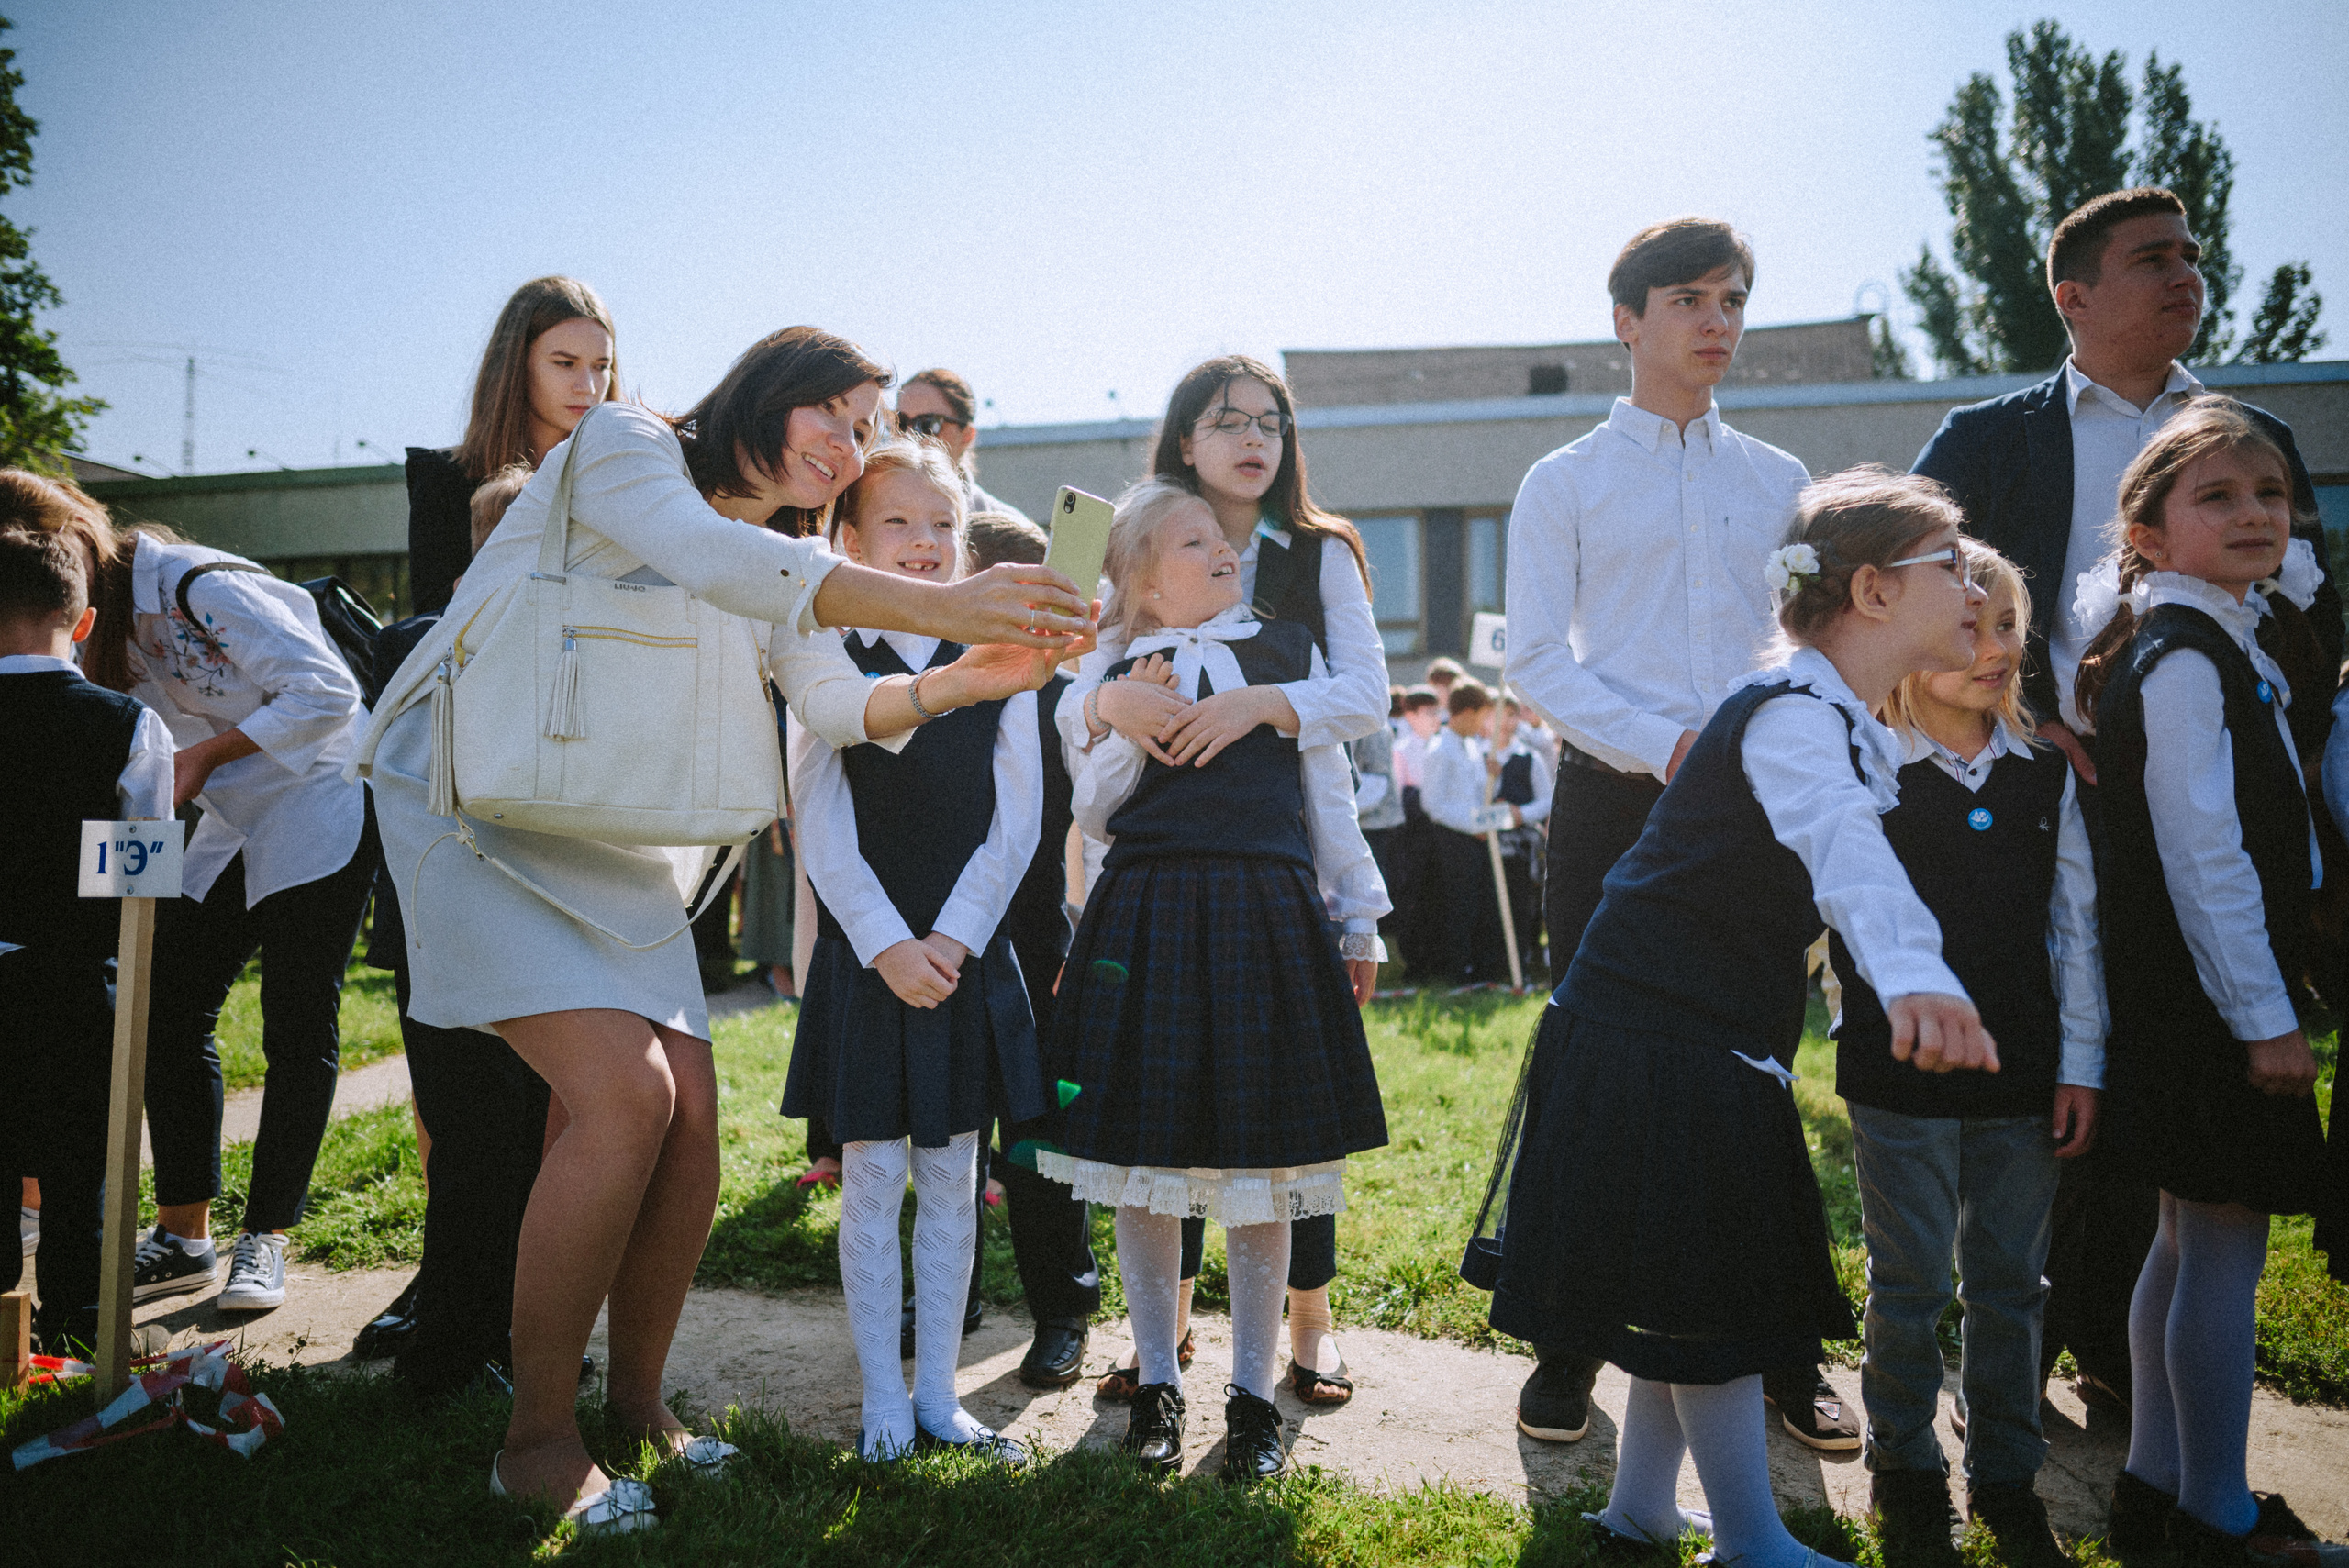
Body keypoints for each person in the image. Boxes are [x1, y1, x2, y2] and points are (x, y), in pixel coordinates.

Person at [353, 326, 1092, 1528]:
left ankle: (639, 1408)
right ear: (769, 391)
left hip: (615, 839)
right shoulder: (625, 442)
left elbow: (837, 701)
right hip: (475, 807)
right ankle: (537, 1442)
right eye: (834, 414)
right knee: (625, 1097)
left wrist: (969, 675)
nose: (847, 445)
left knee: (689, 1122)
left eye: (864, 430)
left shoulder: (789, 561)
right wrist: (947, 601)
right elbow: (713, 555)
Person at [1478, 468, 1996, 1568]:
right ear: (1871, 591)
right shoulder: (1790, 717)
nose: (1972, 584)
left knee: (1681, 1286)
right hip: (1658, 1033)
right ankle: (1754, 1540)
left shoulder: (1836, 715)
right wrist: (1913, 973)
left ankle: (1638, 1513)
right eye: (1949, 562)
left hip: (1698, 1030)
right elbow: (1841, 847)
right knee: (1706, 1301)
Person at [1912, 188, 2341, 1413]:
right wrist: (2024, 718)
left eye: (2192, 257)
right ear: (2074, 295)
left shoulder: (2246, 437)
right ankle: (2002, 1348)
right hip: (2035, 797)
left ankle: (2115, 1352)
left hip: (2201, 805)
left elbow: (2313, 618)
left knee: (2157, 1074)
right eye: (2153, 259)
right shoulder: (1987, 437)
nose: (2185, 276)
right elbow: (1904, 585)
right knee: (2049, 1065)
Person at [1493, 217, 1850, 1451]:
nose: (1717, 321)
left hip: (1757, 809)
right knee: (1601, 1070)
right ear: (1626, 319)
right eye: (1691, 297)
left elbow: (1815, 640)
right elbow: (1535, 658)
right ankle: (1570, 1341)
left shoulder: (1782, 478)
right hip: (1615, 803)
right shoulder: (1564, 479)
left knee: (1755, 1071)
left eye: (1733, 299)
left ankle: (1782, 1348)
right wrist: (1667, 742)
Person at [1041, 481, 1390, 1481]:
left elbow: (1329, 792)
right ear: (1145, 585)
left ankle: (1251, 1396)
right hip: (1147, 910)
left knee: (1260, 1165)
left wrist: (1360, 912)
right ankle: (1158, 1377)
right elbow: (1096, 811)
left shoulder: (1286, 654)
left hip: (1262, 908)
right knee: (1144, 1156)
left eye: (1218, 535)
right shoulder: (1115, 669)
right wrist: (1119, 712)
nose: (1222, 546)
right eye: (1192, 542)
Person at [2071, 399, 2342, 1567]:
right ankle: (2215, 1512)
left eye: (2269, 493)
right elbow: (2202, 853)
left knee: (2184, 1238)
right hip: (2205, 1003)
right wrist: (2262, 1016)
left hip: (2191, 997)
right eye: (2217, 496)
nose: (2254, 514)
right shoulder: (2184, 656)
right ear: (2146, 532)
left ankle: (2156, 1484)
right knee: (2222, 1246)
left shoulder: (2221, 635)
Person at [21, 475, 375, 1318]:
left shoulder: (193, 584)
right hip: (221, 817)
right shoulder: (82, 630)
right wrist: (98, 913)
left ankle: (268, 1236)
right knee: (161, 1007)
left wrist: (206, 758)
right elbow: (134, 771)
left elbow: (328, 692)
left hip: (320, 799)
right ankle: (185, 1237)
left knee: (298, 1020)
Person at [1831, 542, 2105, 1568]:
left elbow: (2074, 927)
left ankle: (2006, 1472)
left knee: (2010, 1282)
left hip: (2023, 1070)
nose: (1991, 650)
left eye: (2007, 629)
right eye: (1964, 629)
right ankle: (1904, 1465)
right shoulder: (1866, 767)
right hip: (1896, 1074)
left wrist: (2082, 1063)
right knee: (1908, 1280)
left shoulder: (2046, 774)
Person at [782, 439, 1041, 1464]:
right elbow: (817, 815)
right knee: (873, 1170)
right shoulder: (824, 652)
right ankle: (882, 1398)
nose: (925, 541)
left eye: (943, 523)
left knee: (952, 1171)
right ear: (848, 539)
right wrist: (888, 943)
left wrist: (952, 937)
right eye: (898, 521)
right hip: (869, 957)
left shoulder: (1003, 656)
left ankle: (939, 1392)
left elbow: (1017, 819)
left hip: (961, 954)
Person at [0, 517, 173, 1354]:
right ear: (85, 622)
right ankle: (76, 1332)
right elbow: (139, 885)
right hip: (74, 980)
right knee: (82, 1166)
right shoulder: (127, 725)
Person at [965, 508, 1103, 1390]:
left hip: (1030, 939)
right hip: (933, 936)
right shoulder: (928, 682)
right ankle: (950, 1293)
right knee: (943, 1128)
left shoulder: (1060, 698)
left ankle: (1063, 1308)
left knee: (1038, 1134)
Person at [406, 276, 620, 617]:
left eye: (601, 366)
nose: (589, 386)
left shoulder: (622, 476)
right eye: (565, 363)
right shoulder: (444, 480)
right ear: (516, 365)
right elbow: (431, 622)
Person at [1417, 679, 1518, 985]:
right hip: (1451, 838)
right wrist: (1475, 824)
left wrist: (1493, 778)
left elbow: (1477, 793)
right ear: (1467, 713)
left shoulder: (1473, 746)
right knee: (1458, 905)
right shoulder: (1439, 748)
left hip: (1475, 836)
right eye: (1482, 716)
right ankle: (1456, 970)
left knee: (1480, 903)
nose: (1484, 724)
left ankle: (1481, 965)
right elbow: (1433, 804)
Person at [897, 369, 1030, 526]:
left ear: (966, 435)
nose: (909, 434)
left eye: (928, 424)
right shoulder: (871, 515)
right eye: (900, 422)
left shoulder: (1009, 526)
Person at [1486, 694, 1553, 978]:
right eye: (1497, 715)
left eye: (1511, 714)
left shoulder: (1528, 757)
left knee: (1521, 902)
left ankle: (1523, 960)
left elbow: (1546, 800)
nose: (1504, 721)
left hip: (1520, 843)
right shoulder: (1478, 753)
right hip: (1483, 841)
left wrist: (1520, 814)